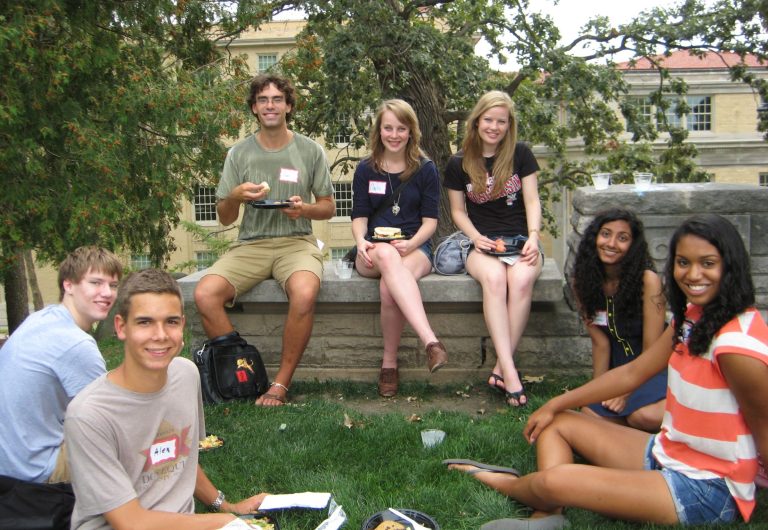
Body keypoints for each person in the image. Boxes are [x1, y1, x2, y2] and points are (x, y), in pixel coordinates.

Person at [447, 214, 768, 529]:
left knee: (557, 480)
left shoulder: (735, 346)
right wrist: (554, 404)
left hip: (706, 490)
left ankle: (505, 484)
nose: (693, 274)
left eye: (708, 263)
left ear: (730, 266)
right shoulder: (695, 317)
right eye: (683, 262)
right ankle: (549, 513)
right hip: (669, 453)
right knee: (557, 422)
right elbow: (631, 374)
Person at [65, 269, 268, 529]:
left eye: (171, 321)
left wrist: (225, 505)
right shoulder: (88, 415)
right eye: (145, 322)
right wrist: (226, 522)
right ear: (120, 327)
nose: (160, 335)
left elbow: (180, 456)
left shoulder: (185, 374)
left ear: (182, 325)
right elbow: (130, 522)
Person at [193, 73, 335, 406]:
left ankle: (280, 386)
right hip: (251, 244)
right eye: (262, 100)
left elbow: (328, 208)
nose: (270, 105)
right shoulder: (239, 154)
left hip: (296, 242)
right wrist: (236, 196)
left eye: (276, 99)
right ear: (254, 109)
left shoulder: (309, 150)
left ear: (288, 105)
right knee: (204, 293)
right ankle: (241, 368)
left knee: (304, 291)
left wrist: (304, 211)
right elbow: (225, 216)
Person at [444, 90, 543, 407]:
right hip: (481, 242)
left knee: (522, 280)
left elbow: (531, 200)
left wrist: (534, 236)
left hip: (520, 238)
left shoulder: (521, 155)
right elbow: (458, 212)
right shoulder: (458, 163)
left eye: (501, 121)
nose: (494, 127)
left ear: (509, 124)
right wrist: (475, 237)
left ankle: (502, 367)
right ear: (476, 122)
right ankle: (510, 374)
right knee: (496, 280)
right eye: (488, 119)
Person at [0, 246, 122, 484]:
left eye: (113, 285)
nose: (107, 293)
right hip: (34, 471)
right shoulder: (76, 344)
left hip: (8, 460)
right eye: (96, 283)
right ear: (68, 285)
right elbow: (112, 420)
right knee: (133, 440)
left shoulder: (41, 318)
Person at [351, 99, 447, 397]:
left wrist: (411, 243)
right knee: (385, 253)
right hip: (372, 252)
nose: (394, 135)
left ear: (411, 131)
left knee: (388, 288)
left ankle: (389, 365)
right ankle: (431, 341)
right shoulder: (366, 169)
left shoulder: (426, 169)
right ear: (378, 130)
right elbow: (359, 217)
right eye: (388, 128)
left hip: (415, 247)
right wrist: (360, 241)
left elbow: (430, 222)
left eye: (401, 129)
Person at [571, 208, 667, 431]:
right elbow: (601, 343)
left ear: (632, 246)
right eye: (605, 234)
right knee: (588, 413)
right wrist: (597, 390)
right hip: (618, 368)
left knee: (644, 416)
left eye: (622, 238)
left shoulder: (648, 281)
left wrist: (626, 392)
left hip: (655, 367)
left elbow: (652, 350)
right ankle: (628, 433)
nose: (611, 243)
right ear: (595, 237)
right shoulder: (582, 282)